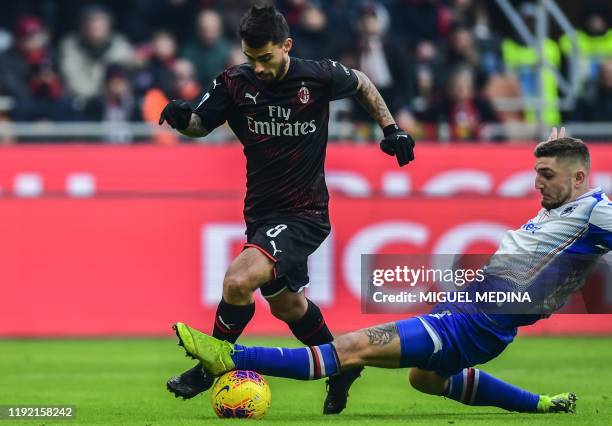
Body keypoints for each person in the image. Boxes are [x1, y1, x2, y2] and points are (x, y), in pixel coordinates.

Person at [172, 128, 612, 414]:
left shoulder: (596, 210)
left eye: (548, 174)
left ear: (578, 179)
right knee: (426, 380)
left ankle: (228, 355)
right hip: (471, 311)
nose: (538, 183)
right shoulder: (567, 206)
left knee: (350, 349)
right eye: (536, 172)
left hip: (477, 319)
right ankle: (538, 404)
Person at [158, 5, 415, 414]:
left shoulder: (316, 74)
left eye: (266, 58)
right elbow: (198, 124)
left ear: (287, 46)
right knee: (288, 306)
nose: (257, 67)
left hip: (304, 213)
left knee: (238, 281)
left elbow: (363, 82)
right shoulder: (234, 83)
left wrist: (392, 128)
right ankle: (342, 366)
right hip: (261, 212)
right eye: (250, 58)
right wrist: (180, 116)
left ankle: (210, 366)